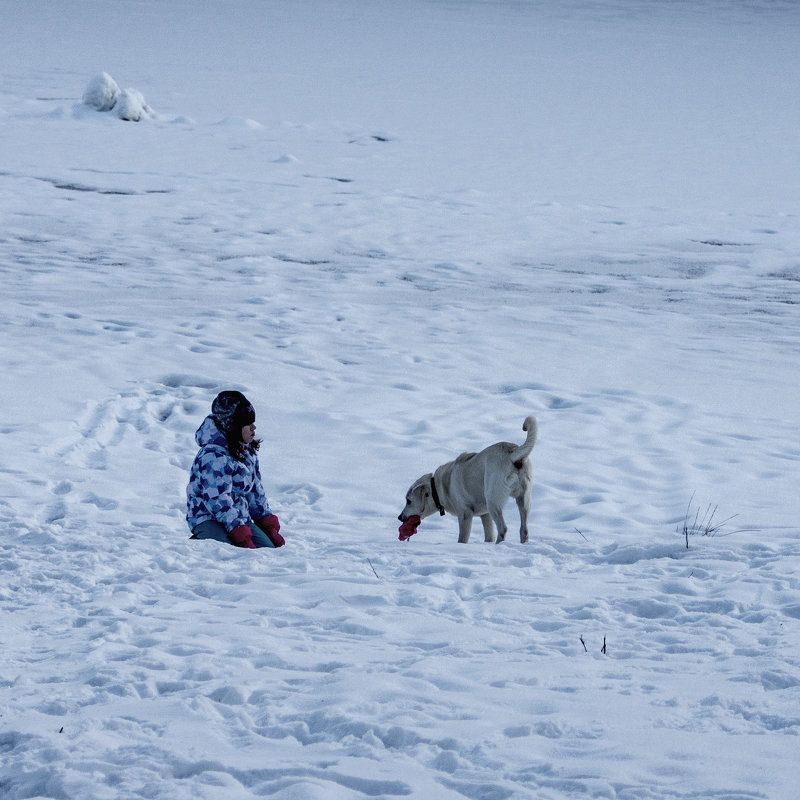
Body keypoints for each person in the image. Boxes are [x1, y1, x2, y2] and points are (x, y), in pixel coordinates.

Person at [186, 391, 284, 549]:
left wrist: (266, 522)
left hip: (238, 519)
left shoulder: (246, 452)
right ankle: (195, 545)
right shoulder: (213, 456)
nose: (254, 427)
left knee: (267, 549)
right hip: (208, 517)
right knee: (226, 551)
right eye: (247, 424)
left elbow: (255, 492)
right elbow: (217, 499)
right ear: (233, 426)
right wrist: (237, 530)